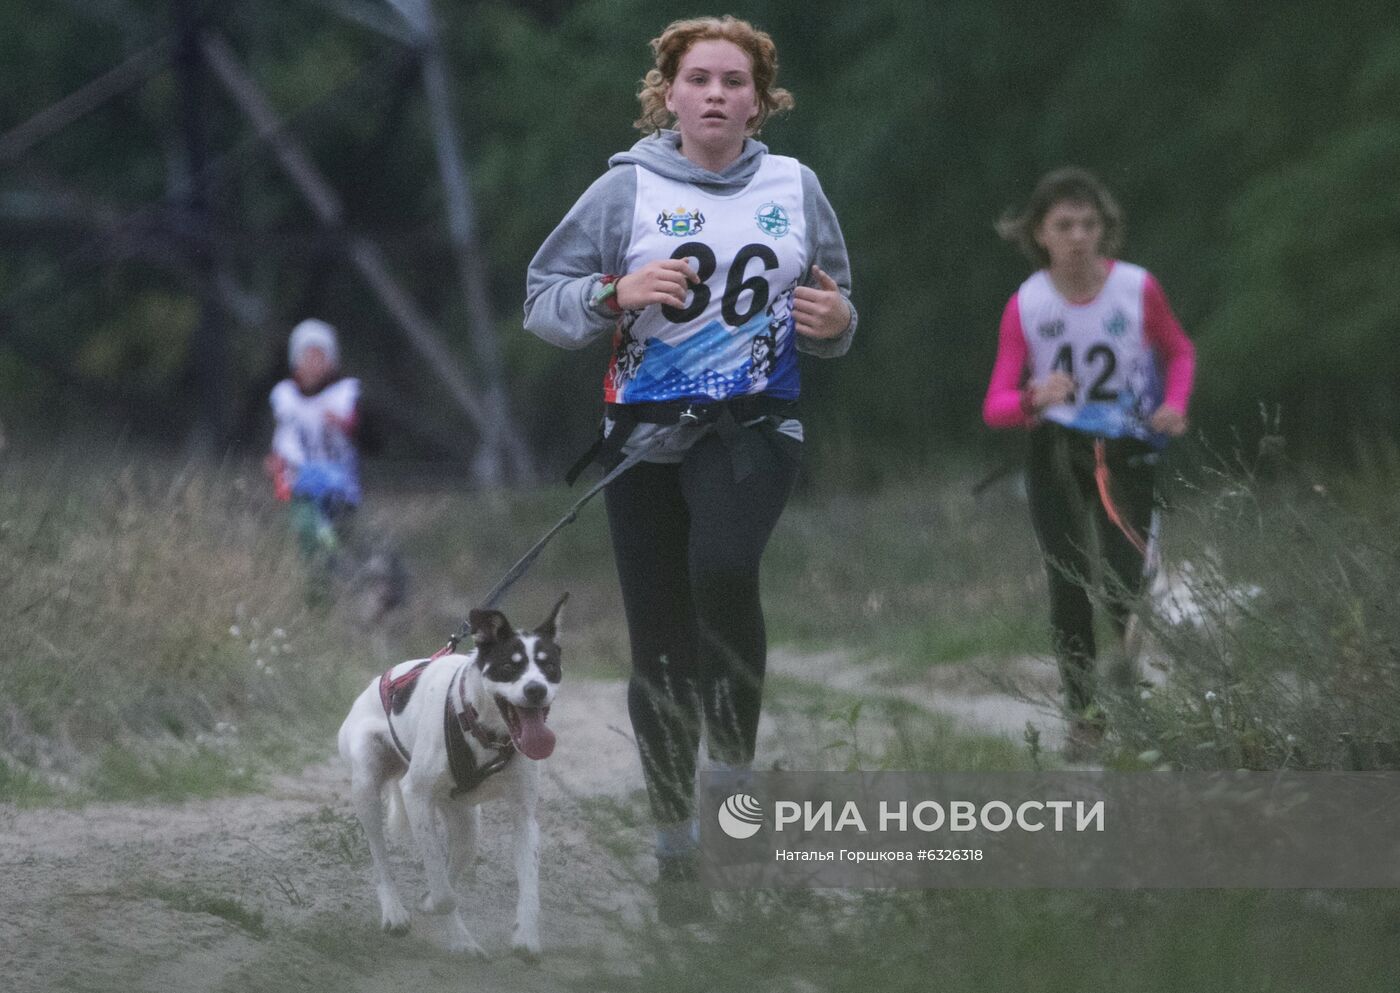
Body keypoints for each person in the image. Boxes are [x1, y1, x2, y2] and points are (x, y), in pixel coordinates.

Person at [523, 15, 856, 922]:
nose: (717, 95)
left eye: (735, 82)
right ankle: (677, 850)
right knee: (660, 648)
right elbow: (542, 300)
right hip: (642, 439)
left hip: (755, 430)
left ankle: (736, 792)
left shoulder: (796, 185)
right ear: (667, 93)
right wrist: (613, 292)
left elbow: (837, 304)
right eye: (699, 79)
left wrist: (835, 325)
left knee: (723, 562)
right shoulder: (622, 190)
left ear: (761, 100)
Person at [983, 167, 1195, 758]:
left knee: (1126, 583)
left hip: (1126, 447)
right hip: (1058, 452)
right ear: (1039, 234)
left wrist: (1174, 405)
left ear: (1105, 230)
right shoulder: (1027, 303)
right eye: (1064, 225)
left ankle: (1133, 697)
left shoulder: (1137, 288)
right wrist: (1033, 397)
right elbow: (995, 404)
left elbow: (1178, 351)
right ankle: (1084, 717)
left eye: (1089, 224)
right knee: (1069, 581)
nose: (1079, 235)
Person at [266, 318, 365, 598]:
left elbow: (362, 432)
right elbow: (283, 443)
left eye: (319, 357)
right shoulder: (286, 398)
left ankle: (340, 591)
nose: (313, 364)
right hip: (303, 485)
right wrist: (276, 468)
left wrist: (346, 424)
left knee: (338, 544)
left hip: (339, 487)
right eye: (307, 357)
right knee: (309, 534)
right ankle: (317, 598)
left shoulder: (345, 394)